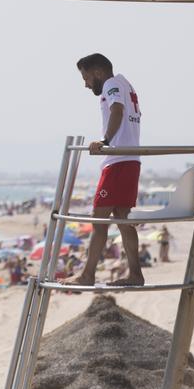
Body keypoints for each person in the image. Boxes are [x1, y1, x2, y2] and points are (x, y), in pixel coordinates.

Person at [69, 53, 144, 287]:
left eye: (86, 77)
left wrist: (105, 140)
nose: (85, 84)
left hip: (118, 160)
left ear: (98, 73)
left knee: (99, 219)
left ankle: (87, 274)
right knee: (123, 218)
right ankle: (135, 274)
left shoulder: (111, 84)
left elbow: (118, 111)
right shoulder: (125, 83)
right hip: (131, 159)